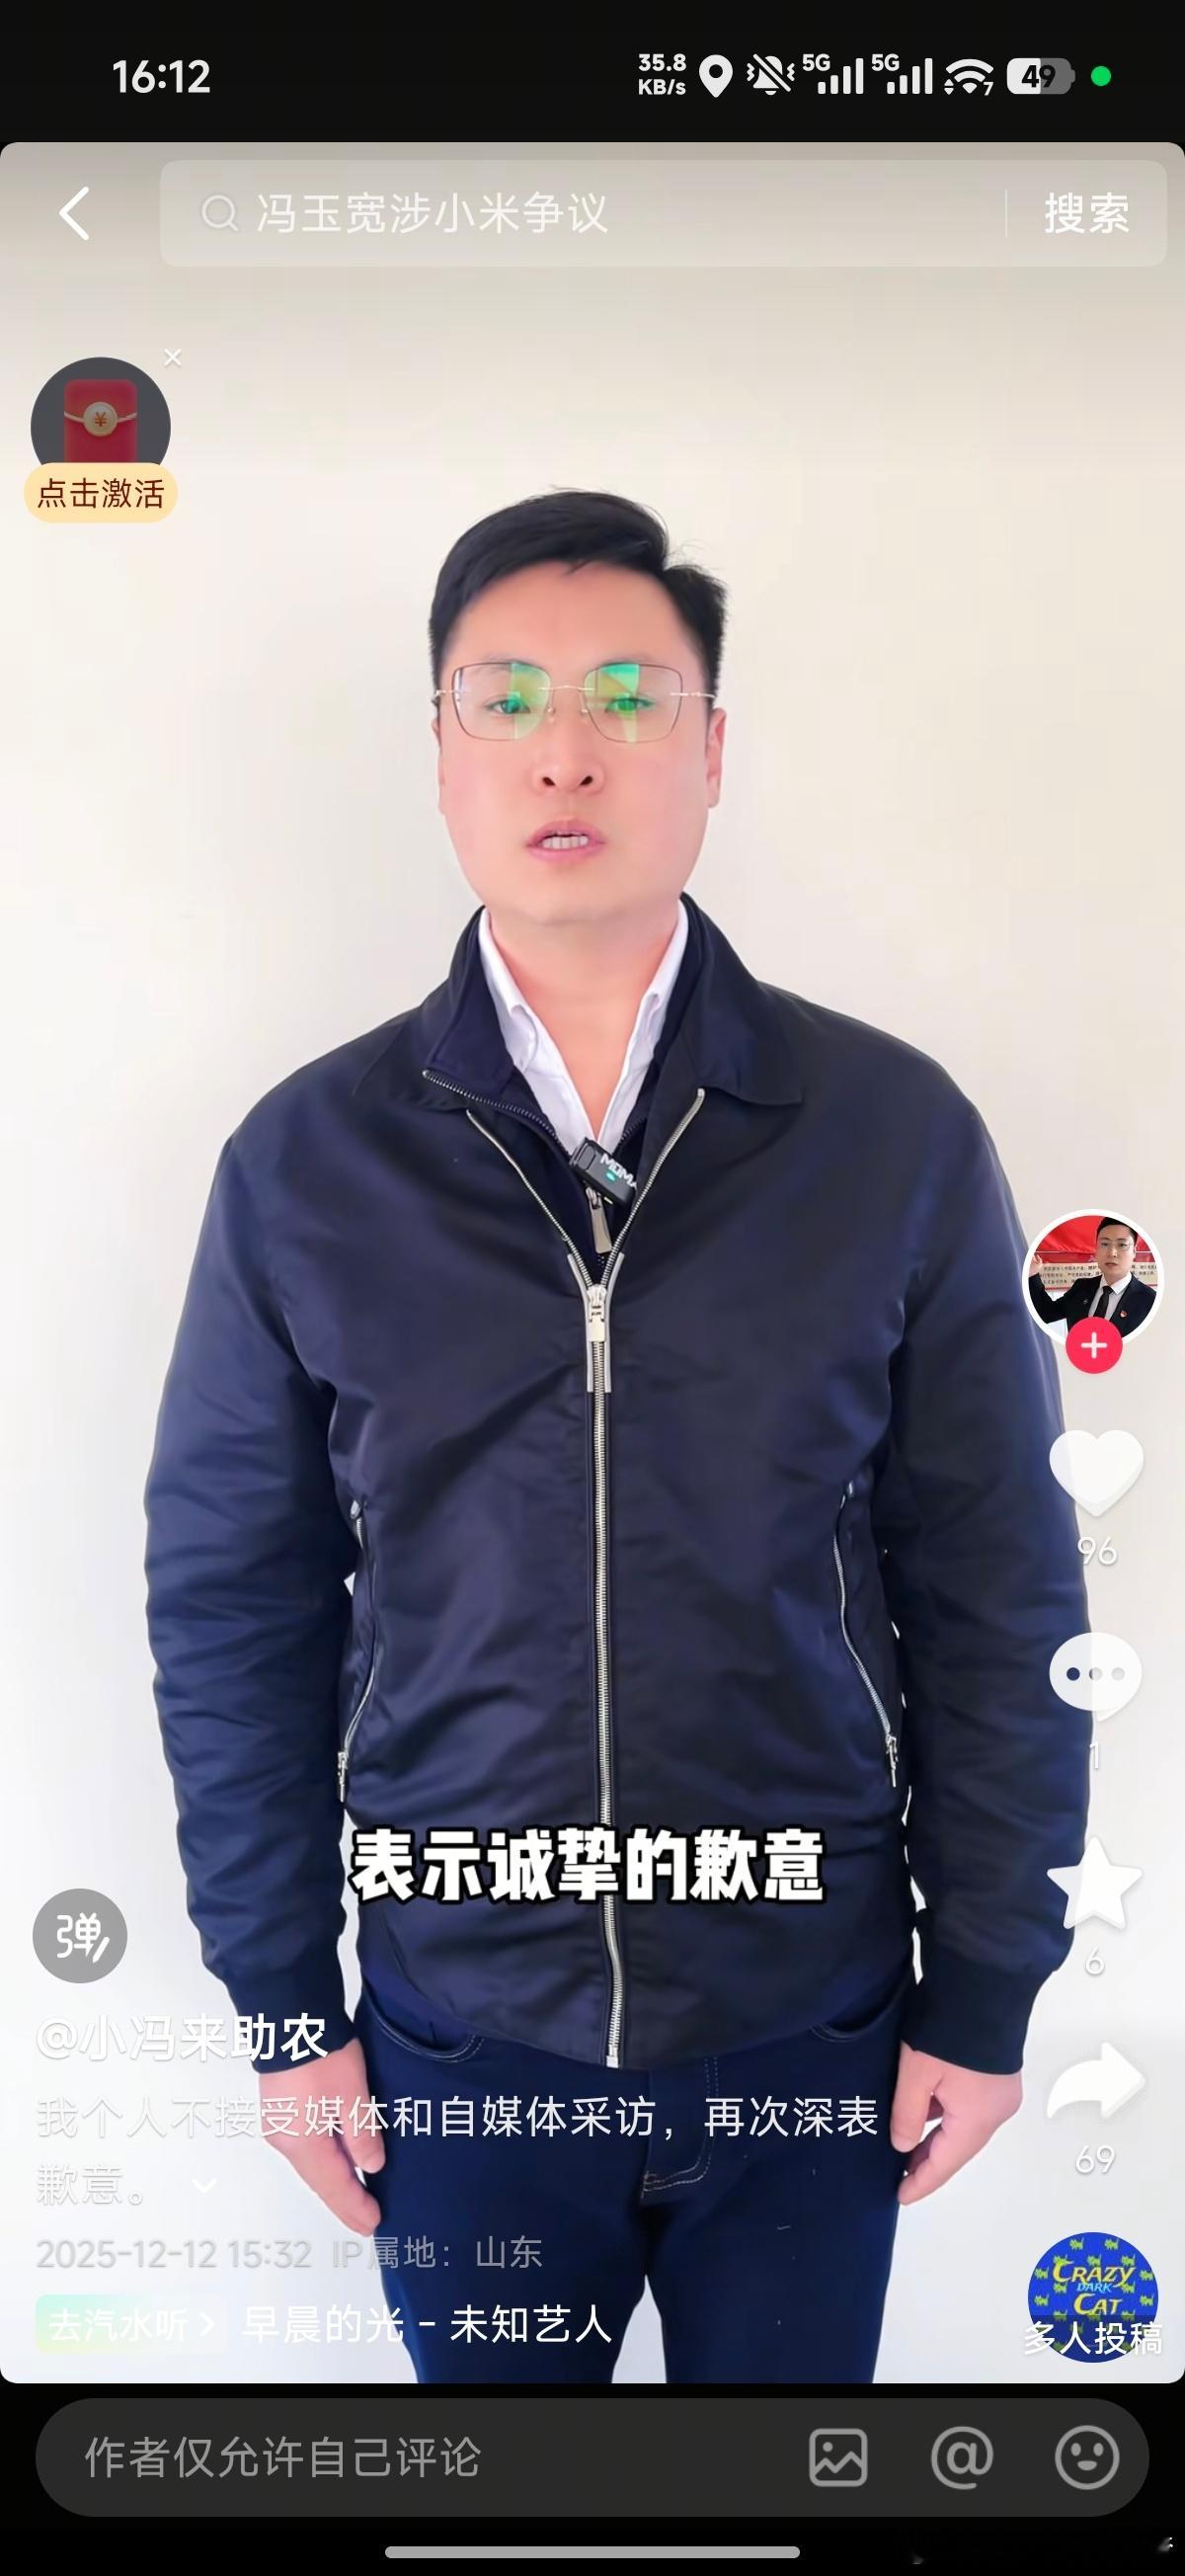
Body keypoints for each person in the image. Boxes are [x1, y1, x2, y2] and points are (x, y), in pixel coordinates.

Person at [143, 488, 1092, 2385]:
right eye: (502, 697)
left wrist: (987, 1983)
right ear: (439, 753)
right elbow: (235, 1602)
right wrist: (282, 2005)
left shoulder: (889, 1137)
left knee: (781, 2492)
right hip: (459, 2028)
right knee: (511, 2507)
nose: (564, 747)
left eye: (628, 698)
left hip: (807, 2019)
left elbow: (999, 1580)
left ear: (713, 748)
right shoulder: (309, 1164)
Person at [1028, 1217, 1155, 1337]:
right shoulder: (1081, 1287)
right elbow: (1046, 1313)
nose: (1112, 1253)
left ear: (1134, 1251)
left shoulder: (1150, 1301)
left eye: (1122, 1245)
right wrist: (1032, 1274)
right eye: (1104, 1244)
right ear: (1096, 1250)